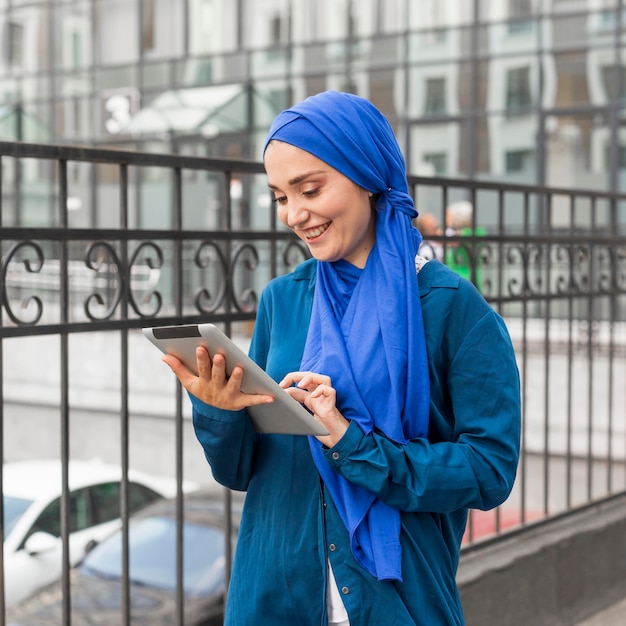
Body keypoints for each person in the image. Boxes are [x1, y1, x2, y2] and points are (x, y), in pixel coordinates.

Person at [163, 91, 521, 625]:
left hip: (396, 601)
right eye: (281, 196)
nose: (294, 214)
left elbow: (490, 470)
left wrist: (355, 446)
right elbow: (239, 471)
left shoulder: (451, 309)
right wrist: (219, 409)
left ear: (368, 178)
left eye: (309, 189)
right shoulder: (283, 301)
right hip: (274, 593)